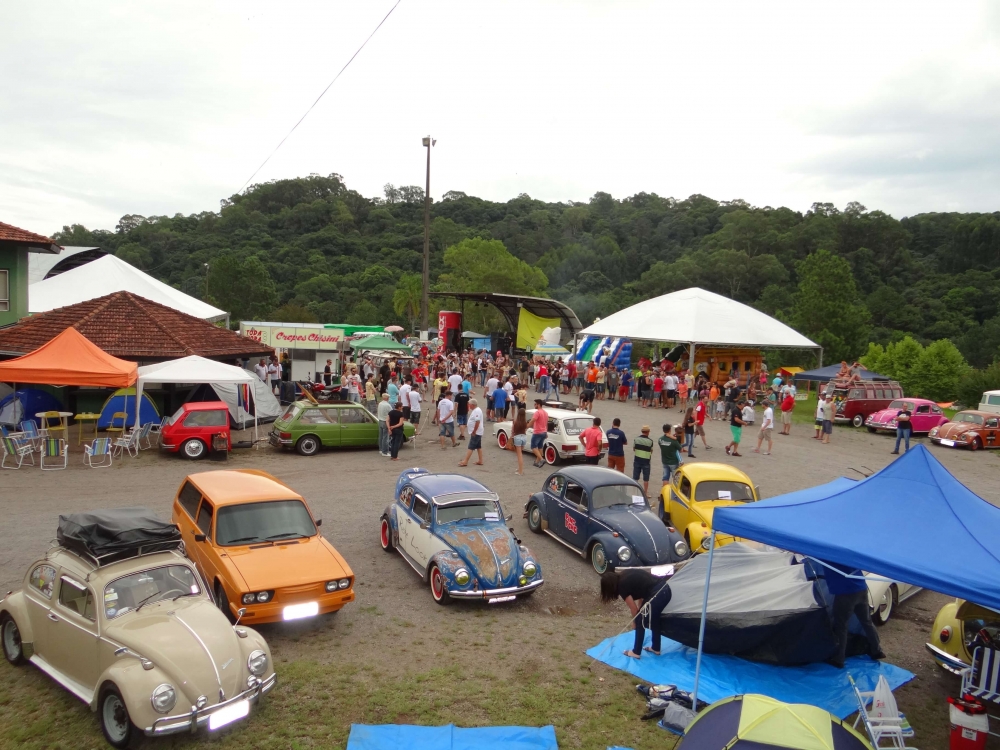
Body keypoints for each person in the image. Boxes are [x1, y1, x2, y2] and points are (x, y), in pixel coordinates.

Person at [821, 560, 885, 669]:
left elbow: (810, 552)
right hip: (861, 588)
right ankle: (877, 650)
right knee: (866, 621)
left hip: (845, 593)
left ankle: (839, 659)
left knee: (841, 626)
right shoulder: (847, 551)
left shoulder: (827, 553)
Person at [600, 568, 673, 659]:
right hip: (665, 589)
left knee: (640, 620)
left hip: (658, 593)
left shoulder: (622, 586)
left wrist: (635, 622)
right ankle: (656, 648)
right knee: (654, 618)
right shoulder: (625, 574)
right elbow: (642, 595)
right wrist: (640, 611)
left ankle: (636, 652)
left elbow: (634, 609)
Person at [657, 424, 682, 501]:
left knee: (665, 478)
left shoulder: (660, 439)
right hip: (673, 461)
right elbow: (680, 449)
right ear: (669, 430)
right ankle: (674, 495)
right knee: (675, 478)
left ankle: (664, 494)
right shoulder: (673, 440)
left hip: (665, 461)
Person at [459, 399, 485, 467]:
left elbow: (477, 422)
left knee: (471, 446)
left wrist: (474, 431)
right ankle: (480, 460)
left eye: (469, 404)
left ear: (472, 405)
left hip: (476, 432)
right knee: (478, 446)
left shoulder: (477, 411)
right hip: (477, 431)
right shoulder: (476, 410)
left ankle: (465, 461)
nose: (468, 406)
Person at [632, 425, 654, 496]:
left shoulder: (636, 439)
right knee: (646, 478)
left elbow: (634, 449)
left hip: (637, 460)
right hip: (646, 461)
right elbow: (651, 451)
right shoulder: (650, 441)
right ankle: (645, 493)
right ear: (648, 432)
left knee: (635, 477)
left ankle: (634, 492)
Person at [530, 399, 549, 468]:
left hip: (537, 432)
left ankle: (541, 459)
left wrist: (527, 426)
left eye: (535, 404)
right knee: (540, 447)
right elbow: (546, 423)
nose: (534, 405)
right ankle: (536, 462)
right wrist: (546, 432)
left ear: (538, 404)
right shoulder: (545, 413)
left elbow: (532, 421)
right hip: (544, 432)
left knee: (533, 447)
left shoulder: (537, 412)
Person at [511, 407, 528, 475]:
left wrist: (511, 438)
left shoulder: (515, 422)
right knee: (520, 454)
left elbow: (513, 431)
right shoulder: (525, 422)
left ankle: (520, 471)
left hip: (517, 437)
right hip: (524, 437)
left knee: (519, 455)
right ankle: (519, 468)